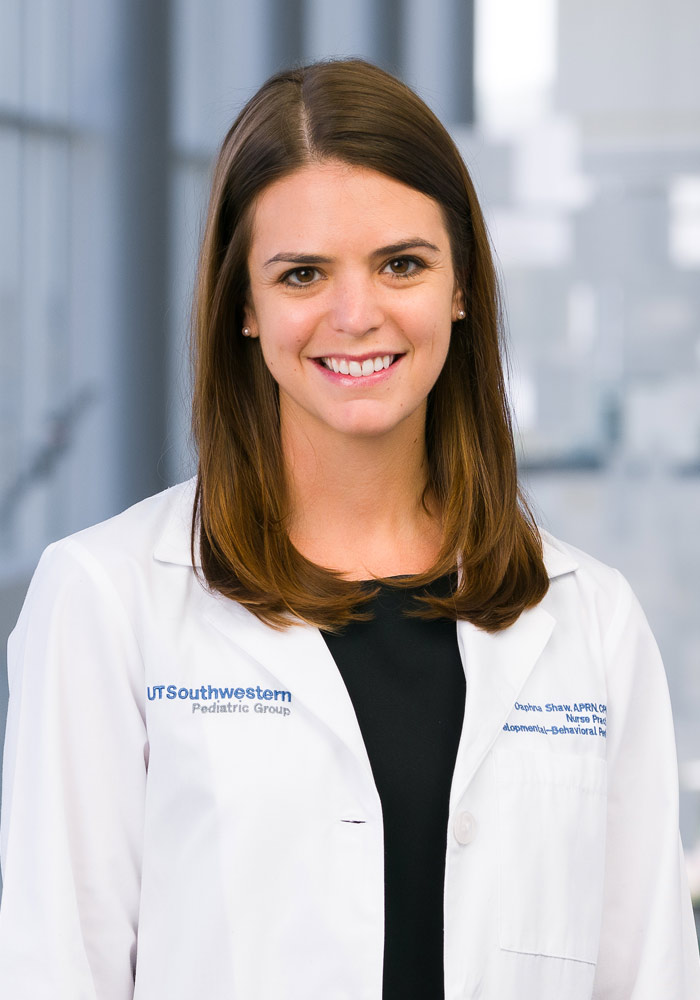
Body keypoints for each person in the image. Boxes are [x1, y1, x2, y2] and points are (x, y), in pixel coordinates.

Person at [0, 58, 698, 1000]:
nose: (356, 315)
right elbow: (57, 971)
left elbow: (650, 972)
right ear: (244, 307)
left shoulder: (593, 624)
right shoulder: (107, 597)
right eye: (302, 274)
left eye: (402, 264)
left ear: (461, 287)